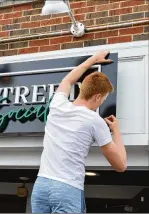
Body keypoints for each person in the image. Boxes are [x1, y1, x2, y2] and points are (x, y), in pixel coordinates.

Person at [31, 50, 127, 213]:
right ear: (97, 97)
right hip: (67, 189)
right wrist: (116, 130)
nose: (102, 102)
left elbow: (68, 80)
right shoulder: (94, 120)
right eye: (103, 99)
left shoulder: (57, 104)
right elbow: (121, 165)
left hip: (41, 186)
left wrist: (93, 59)